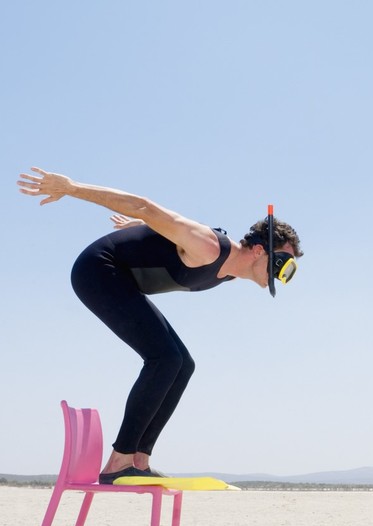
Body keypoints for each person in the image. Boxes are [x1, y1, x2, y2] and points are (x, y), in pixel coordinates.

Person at [17, 167, 302, 483]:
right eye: (282, 265)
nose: (281, 275)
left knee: (183, 364)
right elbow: (144, 206)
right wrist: (71, 188)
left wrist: (144, 229)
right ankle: (118, 462)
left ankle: (139, 460)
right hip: (98, 270)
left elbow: (160, 225)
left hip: (122, 279)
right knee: (165, 359)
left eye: (288, 272)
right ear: (260, 250)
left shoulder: (231, 269)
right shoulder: (209, 246)